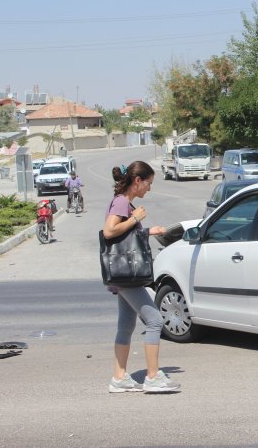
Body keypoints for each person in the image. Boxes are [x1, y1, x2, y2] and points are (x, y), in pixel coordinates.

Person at [103, 161, 180, 394]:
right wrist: (135, 219)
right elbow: (109, 231)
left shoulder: (124, 202)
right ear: (138, 180)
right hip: (127, 275)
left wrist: (147, 231)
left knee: (126, 325)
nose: (149, 188)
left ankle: (119, 378)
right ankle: (153, 377)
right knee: (155, 320)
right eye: (148, 183)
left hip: (122, 275)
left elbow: (125, 237)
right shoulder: (121, 202)